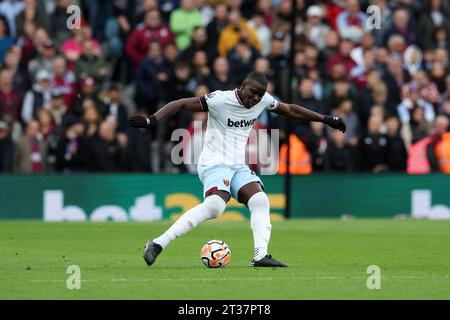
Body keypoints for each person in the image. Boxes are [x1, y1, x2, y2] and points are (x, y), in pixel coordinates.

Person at [128, 71, 346, 267]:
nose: (255, 99)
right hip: (213, 162)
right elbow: (181, 103)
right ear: (242, 86)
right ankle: (158, 243)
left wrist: (326, 119)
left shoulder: (262, 101)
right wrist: (151, 119)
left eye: (260, 96)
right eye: (252, 93)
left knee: (260, 200)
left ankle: (260, 256)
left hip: (237, 165)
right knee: (215, 207)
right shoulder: (220, 99)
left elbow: (290, 110)